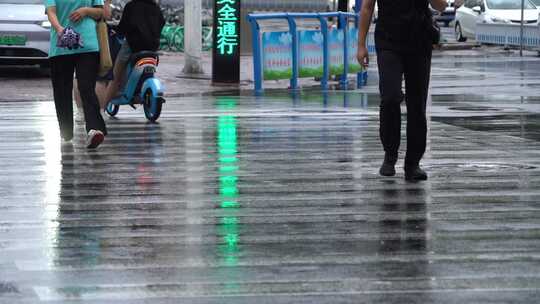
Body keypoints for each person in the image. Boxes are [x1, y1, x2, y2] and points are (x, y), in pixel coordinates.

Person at [357, 0, 447, 181]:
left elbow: (441, 6)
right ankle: (390, 155)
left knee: (417, 102)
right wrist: (361, 45)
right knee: (390, 96)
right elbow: (367, 8)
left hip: (419, 41)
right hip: (388, 42)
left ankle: (413, 163)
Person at [46, 0, 107, 149]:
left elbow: (100, 12)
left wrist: (85, 11)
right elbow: (51, 11)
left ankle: (95, 129)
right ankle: (66, 131)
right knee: (62, 90)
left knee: (86, 87)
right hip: (60, 46)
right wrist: (60, 29)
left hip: (88, 45)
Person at [104, 0, 165, 104]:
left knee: (114, 77)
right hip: (152, 47)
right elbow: (162, 23)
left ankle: (102, 108)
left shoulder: (131, 6)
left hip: (133, 46)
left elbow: (124, 26)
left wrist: (116, 30)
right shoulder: (156, 7)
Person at [74, 0, 120, 115]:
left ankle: (80, 112)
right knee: (101, 75)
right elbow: (105, 14)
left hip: (76, 30)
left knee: (78, 74)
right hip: (97, 33)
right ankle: (98, 114)